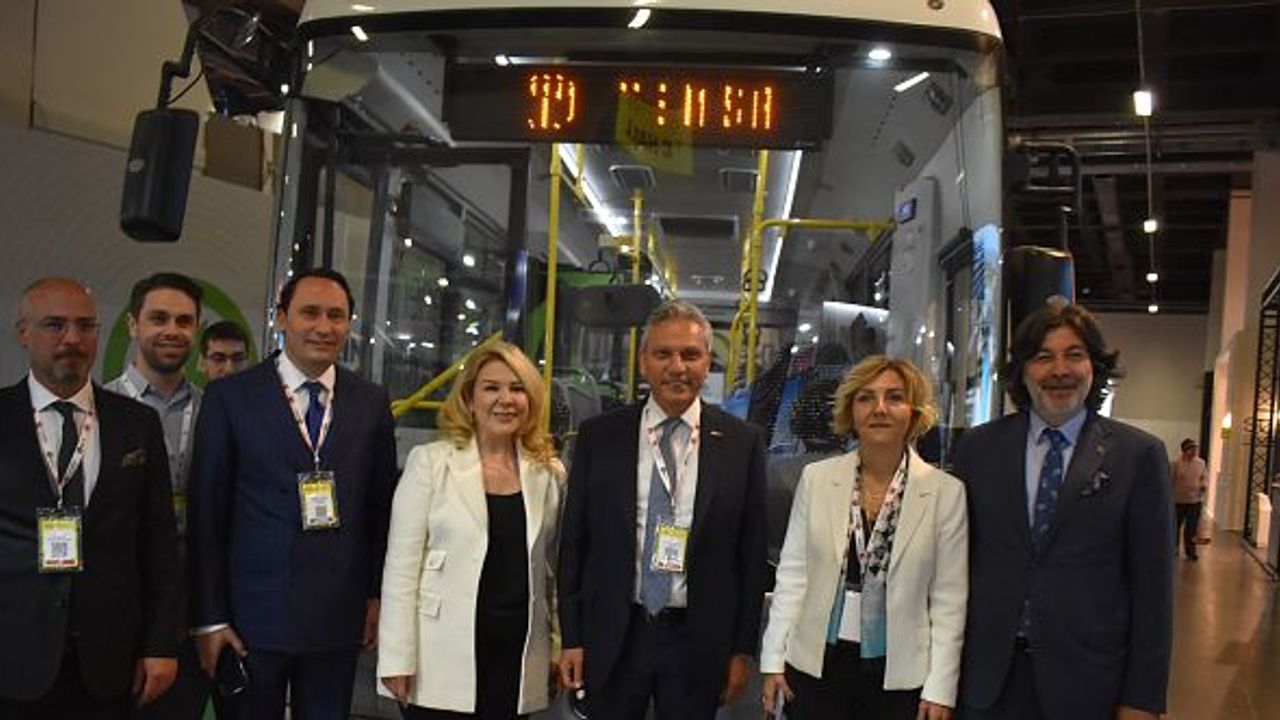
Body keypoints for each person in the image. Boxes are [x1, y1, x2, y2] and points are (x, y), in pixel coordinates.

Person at [187, 268, 398, 719]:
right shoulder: (230, 398)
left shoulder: (370, 401)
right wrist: (210, 617)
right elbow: (208, 515)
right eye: (310, 313)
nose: (323, 327)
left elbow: (379, 509)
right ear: (281, 318)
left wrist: (376, 596)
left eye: (336, 316)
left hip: (337, 619)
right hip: (249, 621)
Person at [953, 302, 1173, 720]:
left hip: (1089, 681)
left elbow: (1153, 589)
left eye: (1074, 354)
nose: (1060, 370)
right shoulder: (978, 449)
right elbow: (954, 567)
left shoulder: (1138, 455)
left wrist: (1142, 699)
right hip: (987, 680)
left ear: (1094, 367)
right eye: (1043, 357)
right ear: (1022, 371)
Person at [558, 299, 768, 720]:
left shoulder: (742, 443)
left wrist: (742, 649)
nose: (677, 367)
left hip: (698, 639)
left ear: (707, 361)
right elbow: (575, 543)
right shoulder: (599, 437)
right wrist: (572, 637)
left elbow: (751, 554)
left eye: (690, 354)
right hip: (615, 632)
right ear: (643, 362)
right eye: (663, 354)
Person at [0, 278, 182, 718]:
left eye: (85, 326)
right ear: (23, 332)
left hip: (109, 659)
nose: (72, 339)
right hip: (12, 653)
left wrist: (161, 644)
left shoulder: (136, 424)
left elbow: (159, 542)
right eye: (55, 325)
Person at [760, 356, 967, 720]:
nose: (879, 408)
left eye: (894, 397)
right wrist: (774, 660)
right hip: (815, 666)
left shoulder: (945, 493)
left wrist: (940, 689)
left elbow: (949, 600)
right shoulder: (817, 479)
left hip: (900, 674)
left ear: (914, 412)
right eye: (866, 397)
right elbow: (793, 576)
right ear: (851, 410)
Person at [378, 341, 563, 719]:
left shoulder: (548, 472)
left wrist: (557, 645)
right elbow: (400, 570)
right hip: (439, 656)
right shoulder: (430, 463)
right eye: (492, 388)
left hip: (517, 653)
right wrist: (397, 657)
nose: (505, 399)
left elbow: (552, 569)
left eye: (517, 388)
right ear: (469, 397)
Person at [103, 272, 210, 719]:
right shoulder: (98, 409)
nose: (172, 330)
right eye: (159, 318)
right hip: (118, 610)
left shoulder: (215, 411)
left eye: (184, 321)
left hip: (193, 610)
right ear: (133, 325)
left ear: (197, 330)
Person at [1171, 438, 1209, 561]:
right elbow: (1170, 480)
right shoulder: (1176, 463)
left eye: (1195, 449)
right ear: (1184, 450)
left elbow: (1204, 477)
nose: (1194, 451)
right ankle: (1174, 549)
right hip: (1178, 501)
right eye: (1191, 449)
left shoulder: (1201, 463)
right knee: (1175, 527)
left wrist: (1204, 485)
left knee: (1192, 528)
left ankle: (1191, 551)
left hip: (1195, 501)